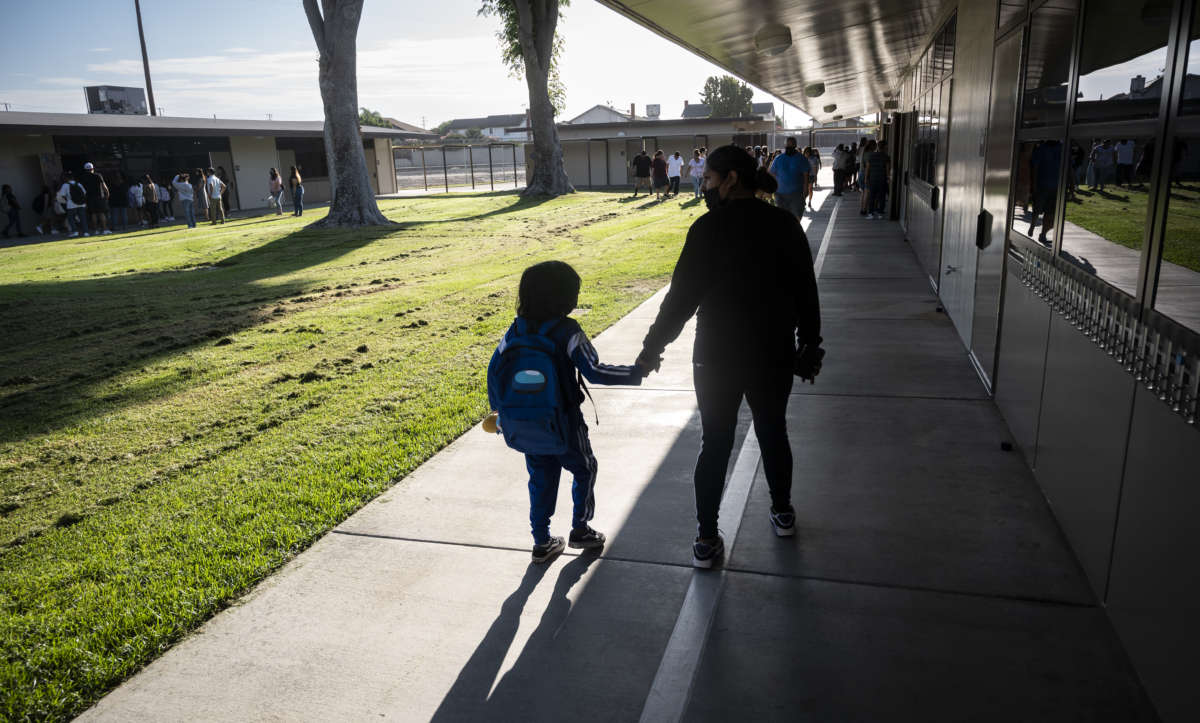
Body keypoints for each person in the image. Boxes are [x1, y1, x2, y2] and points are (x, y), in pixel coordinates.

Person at [635, 145, 823, 568]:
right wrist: (810, 343)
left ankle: (705, 537)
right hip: (772, 352)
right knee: (773, 431)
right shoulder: (785, 224)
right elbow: (805, 291)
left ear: (730, 179)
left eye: (707, 180)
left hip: (715, 355)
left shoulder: (707, 228)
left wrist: (652, 349)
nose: (704, 187)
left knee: (715, 442)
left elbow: (680, 300)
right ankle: (782, 511)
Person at [486, 260, 646, 563]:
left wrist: (501, 413)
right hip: (565, 421)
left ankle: (542, 541)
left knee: (540, 479)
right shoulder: (567, 331)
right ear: (561, 298)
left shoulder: (515, 330)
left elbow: (494, 371)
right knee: (584, 468)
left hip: (525, 423)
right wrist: (635, 373)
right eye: (574, 292)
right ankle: (580, 528)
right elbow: (595, 371)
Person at [767, 136, 810, 219]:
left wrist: (806, 190)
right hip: (780, 195)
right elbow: (771, 174)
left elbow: (806, 176)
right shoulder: (778, 158)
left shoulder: (801, 159)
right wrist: (772, 189)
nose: (789, 148)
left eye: (791, 146)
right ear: (784, 146)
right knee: (782, 218)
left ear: (795, 146)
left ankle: (794, 231)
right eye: (787, 146)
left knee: (796, 217)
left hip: (796, 194)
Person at [1029, 139, 1061, 244]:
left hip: (1056, 186)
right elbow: (1035, 167)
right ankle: (1033, 226)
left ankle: (1043, 234)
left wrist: (1070, 184)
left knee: (1050, 212)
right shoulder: (1041, 149)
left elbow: (1068, 167)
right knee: (1037, 209)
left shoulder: (1061, 148)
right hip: (1042, 185)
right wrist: (1033, 185)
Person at [78, 162, 112, 235]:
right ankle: (105, 229)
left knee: (93, 214)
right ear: (92, 168)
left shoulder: (83, 177)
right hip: (99, 197)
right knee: (101, 213)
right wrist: (107, 194)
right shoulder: (98, 175)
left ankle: (96, 230)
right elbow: (104, 186)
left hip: (89, 198)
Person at [864, 140, 891, 219]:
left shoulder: (871, 156)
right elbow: (887, 169)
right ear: (885, 147)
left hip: (873, 178)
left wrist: (866, 178)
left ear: (878, 147)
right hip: (882, 179)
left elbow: (867, 168)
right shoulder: (886, 157)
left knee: (872, 196)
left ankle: (871, 214)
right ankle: (880, 213)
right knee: (881, 196)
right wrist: (888, 178)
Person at [58, 171, 89, 237]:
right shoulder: (79, 184)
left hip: (71, 205)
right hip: (81, 204)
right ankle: (86, 232)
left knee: (71, 218)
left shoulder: (65, 185)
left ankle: (75, 232)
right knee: (83, 218)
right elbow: (84, 193)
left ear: (66, 178)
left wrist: (67, 200)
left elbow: (62, 195)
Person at [858, 139, 876, 215]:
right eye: (875, 145)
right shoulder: (871, 154)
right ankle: (864, 210)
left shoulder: (863, 152)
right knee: (867, 193)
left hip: (861, 173)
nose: (876, 147)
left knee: (863, 192)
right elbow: (868, 166)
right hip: (867, 174)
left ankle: (862, 209)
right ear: (872, 146)